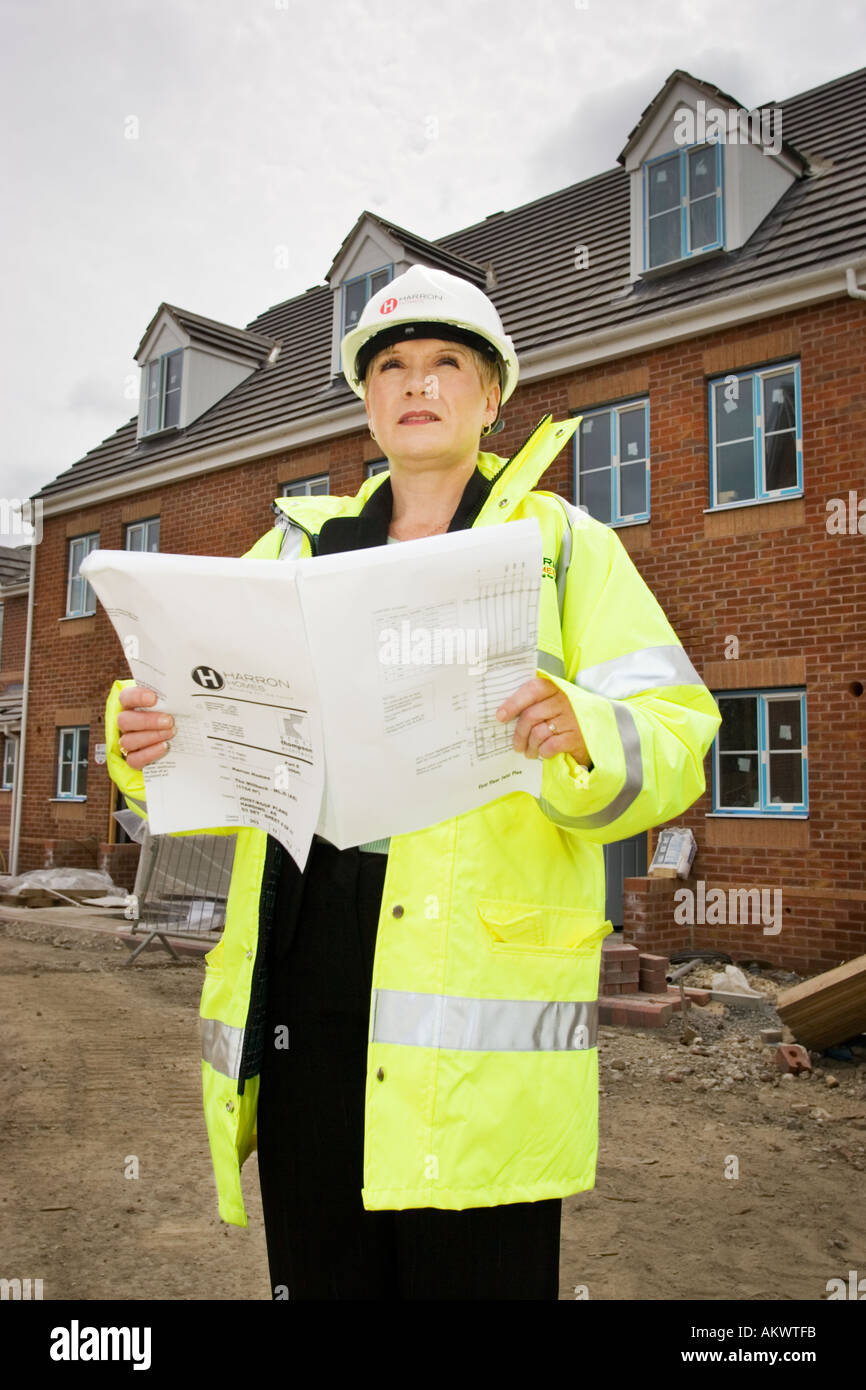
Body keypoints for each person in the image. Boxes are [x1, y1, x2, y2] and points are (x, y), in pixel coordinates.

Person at [105, 264, 721, 1300]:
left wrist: (584, 726)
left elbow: (674, 736)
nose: (417, 384)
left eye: (445, 364)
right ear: (367, 402)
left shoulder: (565, 551)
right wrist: (142, 736)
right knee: (321, 1260)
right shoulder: (291, 550)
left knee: (471, 1270)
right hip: (312, 951)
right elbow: (197, 717)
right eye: (391, 365)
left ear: (490, 397)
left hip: (471, 967)